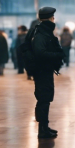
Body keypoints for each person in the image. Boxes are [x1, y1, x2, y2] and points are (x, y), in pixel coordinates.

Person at [30, 7, 64, 139]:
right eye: (53, 17)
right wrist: (56, 55)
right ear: (50, 18)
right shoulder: (40, 35)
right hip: (42, 71)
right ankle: (42, 129)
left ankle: (45, 126)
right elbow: (40, 53)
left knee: (46, 98)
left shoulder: (44, 33)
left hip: (45, 70)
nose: (54, 19)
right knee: (43, 99)